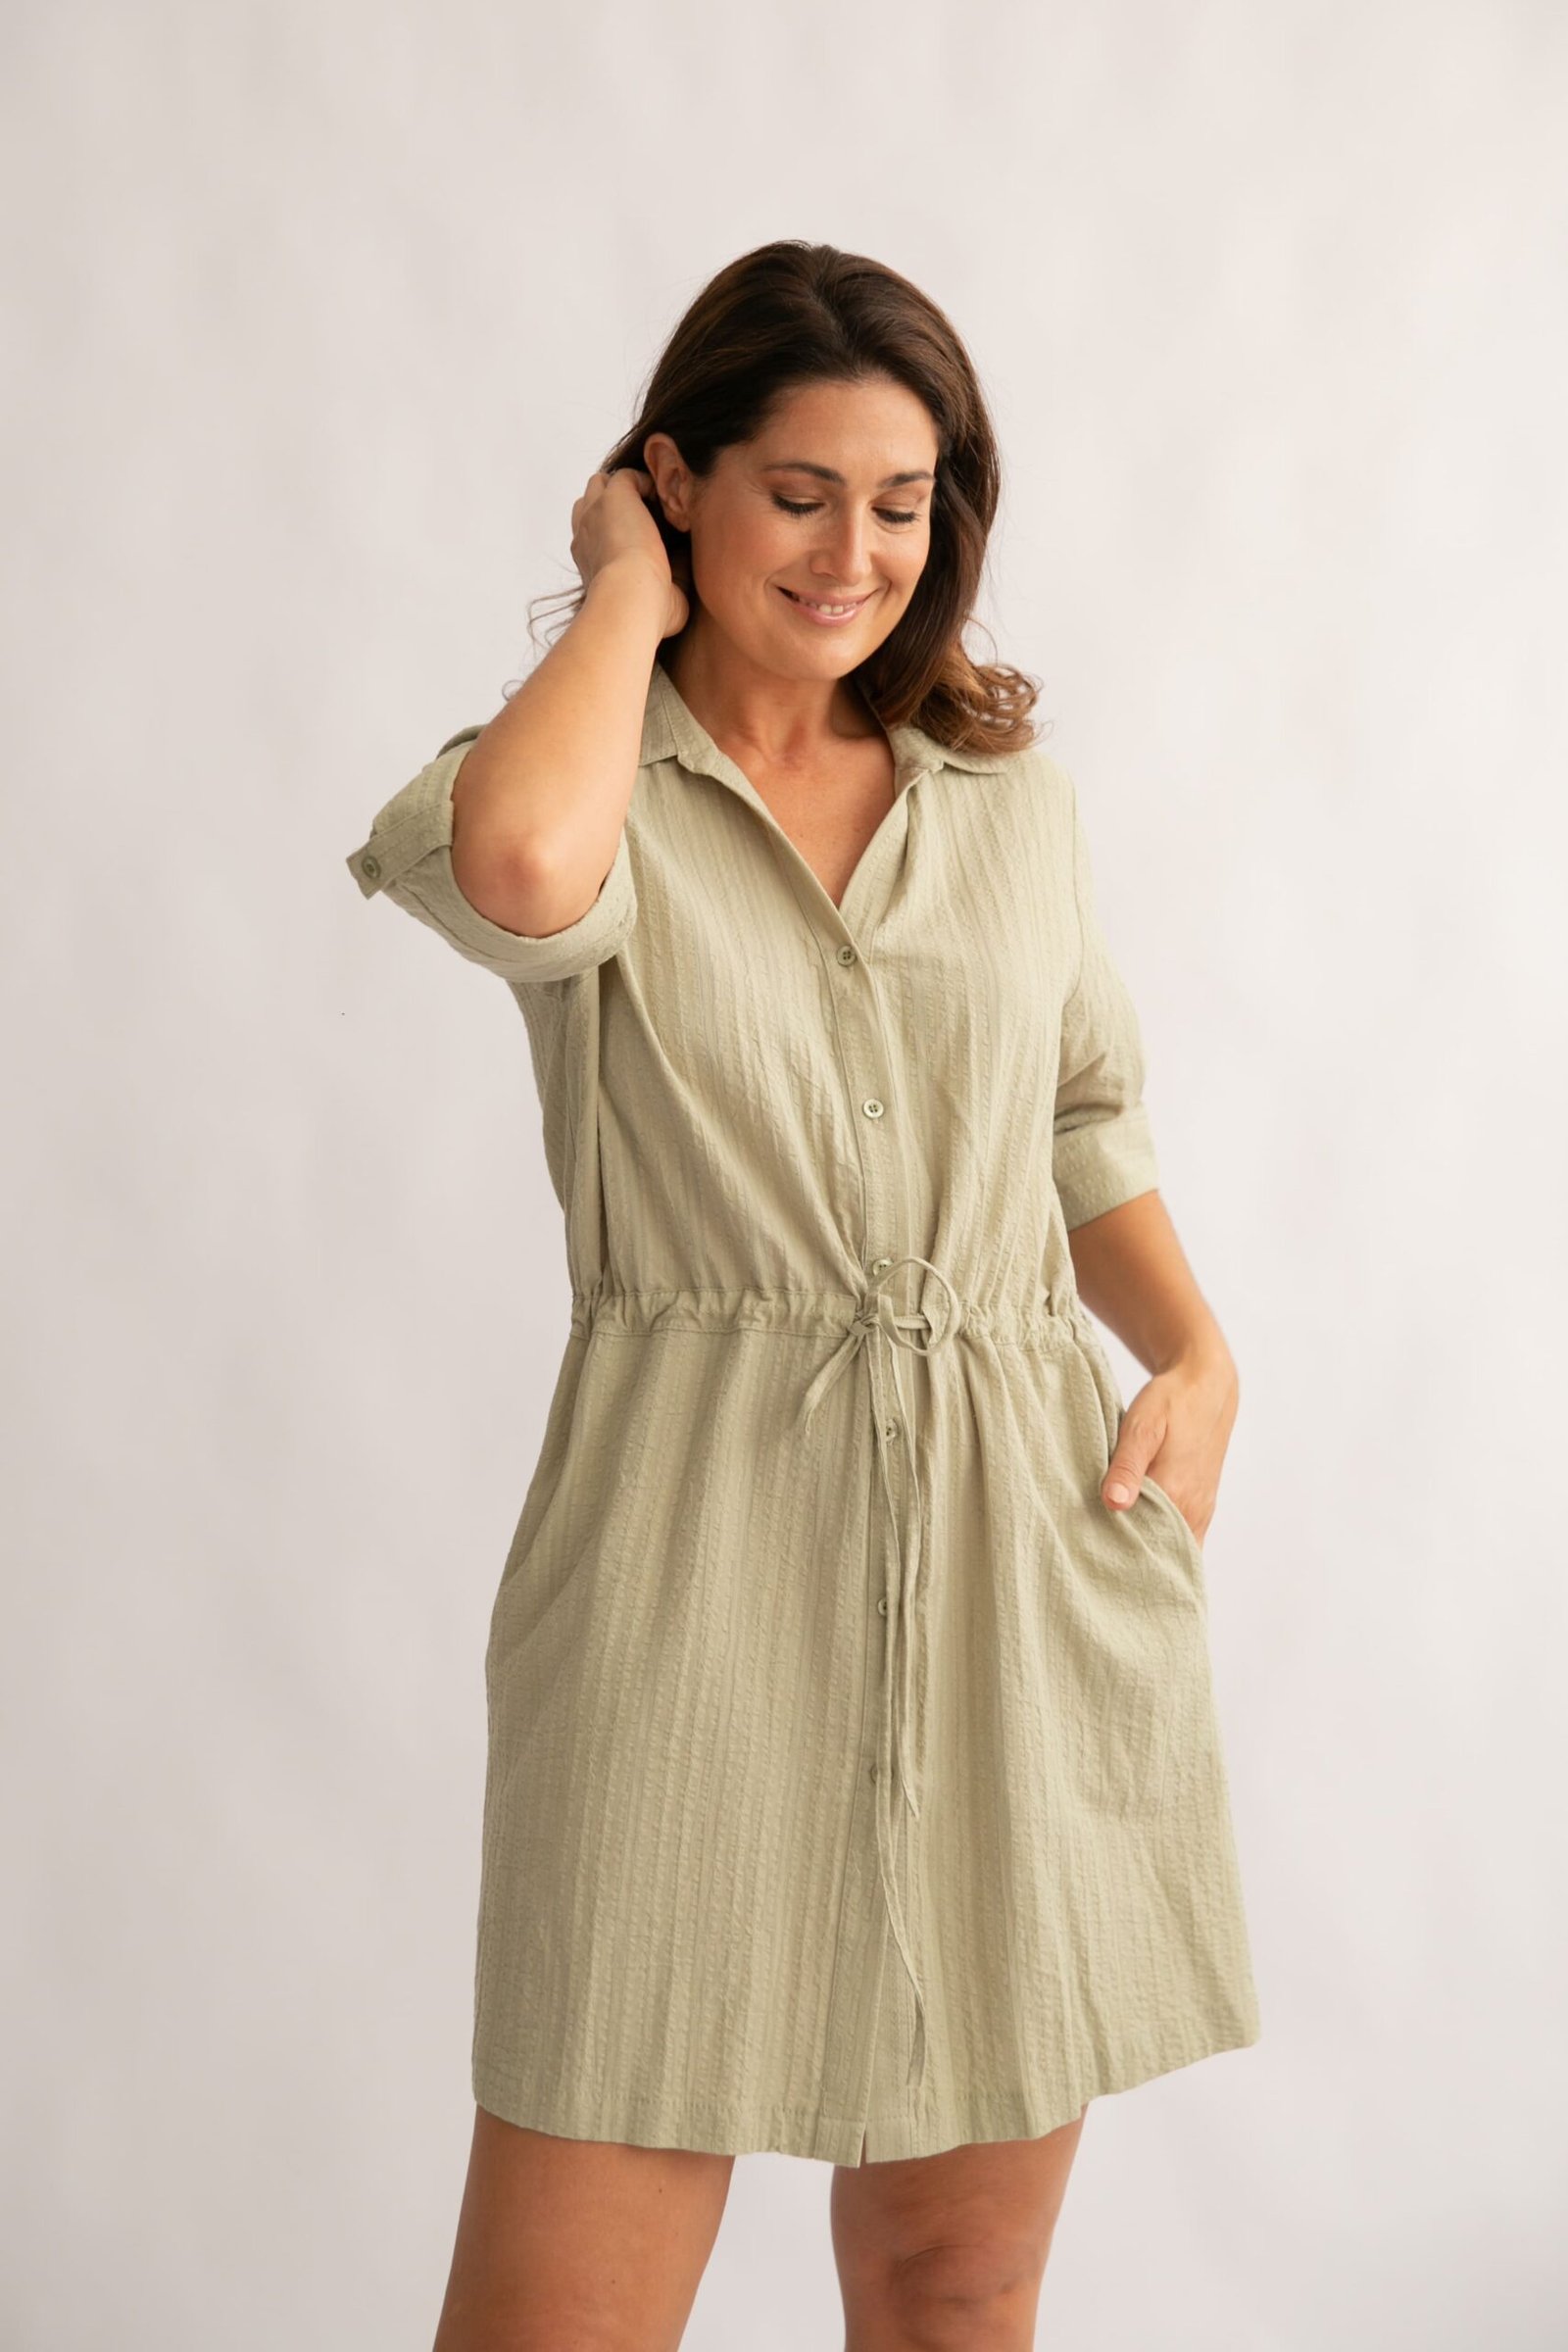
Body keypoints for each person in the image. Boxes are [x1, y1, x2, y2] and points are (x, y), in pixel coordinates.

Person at [344, 239, 1260, 2352]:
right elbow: (519, 874)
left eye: (902, 502)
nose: (854, 553)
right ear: (675, 481)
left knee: (956, 2284)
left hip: (1014, 1571)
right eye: (796, 492)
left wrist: (1198, 1351)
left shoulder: (1004, 807)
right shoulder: (583, 775)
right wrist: (620, 595)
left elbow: (1081, 1117)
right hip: (689, 1572)